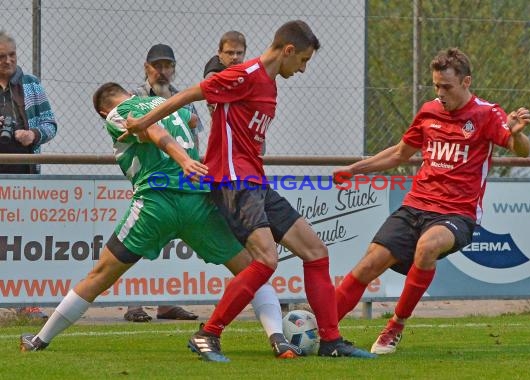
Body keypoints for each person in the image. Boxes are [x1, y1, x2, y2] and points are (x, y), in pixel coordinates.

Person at [124, 20, 377, 361]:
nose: (302, 69)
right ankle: (207, 333)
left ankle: (331, 341)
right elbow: (191, 93)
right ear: (288, 50)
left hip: (256, 181)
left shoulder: (270, 85)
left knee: (316, 251)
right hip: (233, 182)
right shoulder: (244, 74)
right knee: (266, 259)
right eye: (302, 60)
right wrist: (145, 121)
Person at [20, 82, 303, 360]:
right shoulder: (170, 105)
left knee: (100, 275)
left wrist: (183, 161)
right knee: (252, 269)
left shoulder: (120, 112)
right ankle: (278, 339)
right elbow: (193, 120)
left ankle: (39, 339)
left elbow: (150, 129)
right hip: (197, 203)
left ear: (102, 113)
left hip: (158, 203)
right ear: (129, 92)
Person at [332, 47, 530, 354]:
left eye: (447, 87)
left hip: (457, 214)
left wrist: (517, 134)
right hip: (415, 205)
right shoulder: (428, 111)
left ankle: (394, 326)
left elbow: (523, 151)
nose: (440, 93)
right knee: (369, 264)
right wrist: (355, 170)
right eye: (436, 86)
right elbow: (400, 153)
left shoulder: (487, 114)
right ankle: (324, 329)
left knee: (428, 246)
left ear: (467, 82)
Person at [123, 43, 202, 323]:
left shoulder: (182, 96)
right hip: (150, 179)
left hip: (180, 181)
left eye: (168, 66)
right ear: (147, 68)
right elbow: (132, 130)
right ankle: (133, 304)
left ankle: (168, 304)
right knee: (138, 243)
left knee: (176, 246)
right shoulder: (134, 97)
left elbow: (195, 126)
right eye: (158, 66)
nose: (164, 71)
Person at [0, 30, 57, 320]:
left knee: (25, 238)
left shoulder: (32, 85)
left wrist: (32, 134)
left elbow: (51, 125)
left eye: (12, 55)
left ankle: (27, 301)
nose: (8, 61)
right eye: (2, 57)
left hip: (24, 174)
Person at [203, 31, 247, 114]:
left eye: (239, 53)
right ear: (220, 53)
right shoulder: (214, 76)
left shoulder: (248, 72)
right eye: (230, 53)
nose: (235, 57)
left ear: (244, 53)